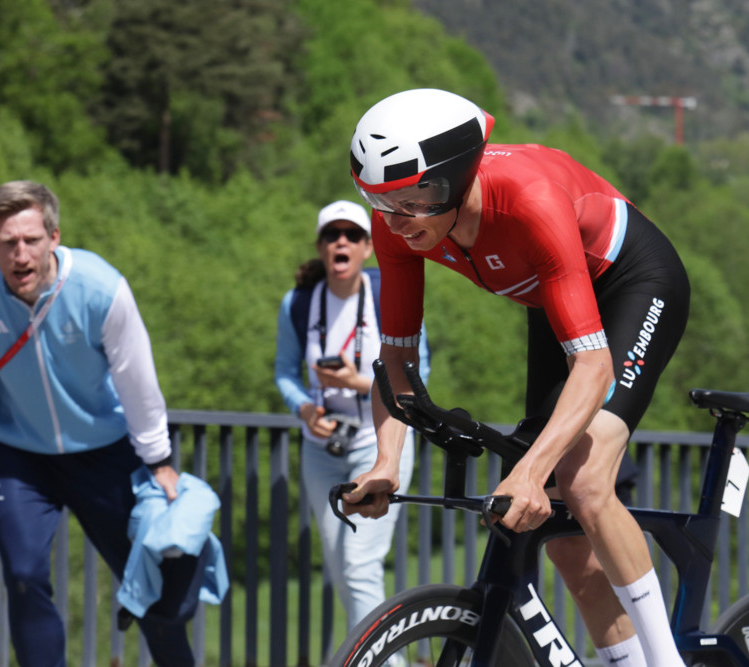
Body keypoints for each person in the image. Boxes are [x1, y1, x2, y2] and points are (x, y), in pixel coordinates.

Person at [341, 88, 691, 667]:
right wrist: (385, 463)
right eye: (380, 201)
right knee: (566, 544)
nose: (397, 221)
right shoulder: (396, 227)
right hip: (553, 301)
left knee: (579, 479)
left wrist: (530, 471)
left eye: (412, 199)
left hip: (631, 282)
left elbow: (594, 365)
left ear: (456, 179)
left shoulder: (529, 200)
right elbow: (397, 360)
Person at [0, 181, 200, 667]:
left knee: (149, 581)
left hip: (105, 452)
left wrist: (159, 461)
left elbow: (137, 381)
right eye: (8, 243)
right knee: (24, 576)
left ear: (54, 236)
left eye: (32, 240)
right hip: (20, 458)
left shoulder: (100, 288)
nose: (21, 254)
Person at [274, 200, 430, 636]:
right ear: (321, 247)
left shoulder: (389, 296)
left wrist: (358, 381)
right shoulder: (299, 302)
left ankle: (372, 657)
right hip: (321, 447)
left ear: (367, 247)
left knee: (359, 564)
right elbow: (285, 373)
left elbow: (422, 375)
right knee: (341, 567)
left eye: (352, 235)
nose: (340, 241)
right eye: (331, 234)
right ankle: (378, 657)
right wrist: (304, 408)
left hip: (377, 440)